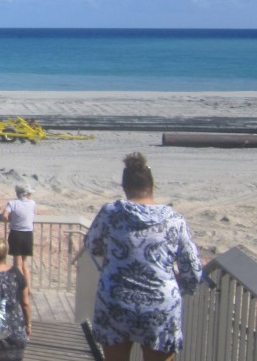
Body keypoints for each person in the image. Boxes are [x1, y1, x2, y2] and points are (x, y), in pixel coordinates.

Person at [85, 152, 202, 361]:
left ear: (125, 187)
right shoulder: (175, 219)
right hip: (160, 303)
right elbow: (192, 269)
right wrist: (181, 287)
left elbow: (92, 245)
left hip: (116, 299)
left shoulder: (111, 212)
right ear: (152, 186)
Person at [2, 185, 36, 291]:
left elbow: (4, 215)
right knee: (24, 263)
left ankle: (20, 288)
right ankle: (28, 287)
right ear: (26, 194)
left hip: (16, 233)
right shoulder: (33, 203)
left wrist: (11, 220)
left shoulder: (12, 203)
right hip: (28, 234)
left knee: (17, 263)